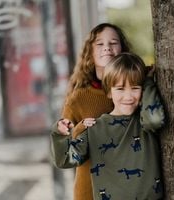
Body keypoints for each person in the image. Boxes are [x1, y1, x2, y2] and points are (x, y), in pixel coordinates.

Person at [51, 52, 165, 199]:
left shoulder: (144, 121)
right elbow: (65, 160)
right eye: (120, 89)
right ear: (109, 92)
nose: (128, 96)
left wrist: (149, 83)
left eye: (135, 88)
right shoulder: (94, 128)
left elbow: (155, 119)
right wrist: (58, 134)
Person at [53, 23, 131, 200]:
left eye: (113, 43)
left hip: (131, 187)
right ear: (90, 51)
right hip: (92, 190)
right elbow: (64, 151)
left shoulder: (136, 88)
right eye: (100, 44)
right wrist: (81, 130)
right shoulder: (79, 98)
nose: (107, 48)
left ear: (123, 48)